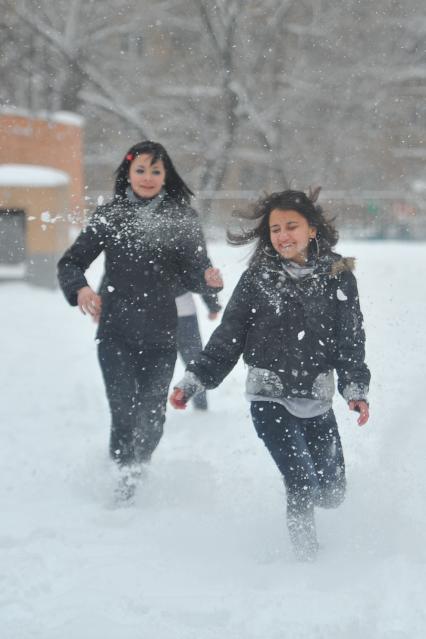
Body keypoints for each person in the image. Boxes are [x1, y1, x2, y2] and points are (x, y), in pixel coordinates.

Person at [170, 188, 370, 561]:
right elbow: (228, 337)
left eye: (291, 226)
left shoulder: (339, 276)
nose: (282, 236)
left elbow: (350, 339)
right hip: (269, 396)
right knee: (300, 480)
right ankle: (307, 558)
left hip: (317, 397)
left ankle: (315, 549)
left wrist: (355, 388)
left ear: (312, 229)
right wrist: (195, 378)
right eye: (275, 229)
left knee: (331, 490)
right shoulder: (258, 278)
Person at [58, 140, 222, 501]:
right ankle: (124, 475)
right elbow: (71, 263)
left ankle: (139, 465)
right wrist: (82, 291)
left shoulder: (181, 218)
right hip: (115, 332)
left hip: (162, 336)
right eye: (141, 170)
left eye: (156, 171)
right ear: (128, 173)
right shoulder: (110, 215)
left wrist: (210, 284)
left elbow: (197, 270)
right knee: (123, 410)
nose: (148, 178)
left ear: (166, 176)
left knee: (151, 414)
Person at [175, 291, 220, 410]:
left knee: (195, 364)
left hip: (183, 314)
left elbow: (201, 276)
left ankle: (201, 408)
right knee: (194, 361)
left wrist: (212, 305)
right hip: (152, 316)